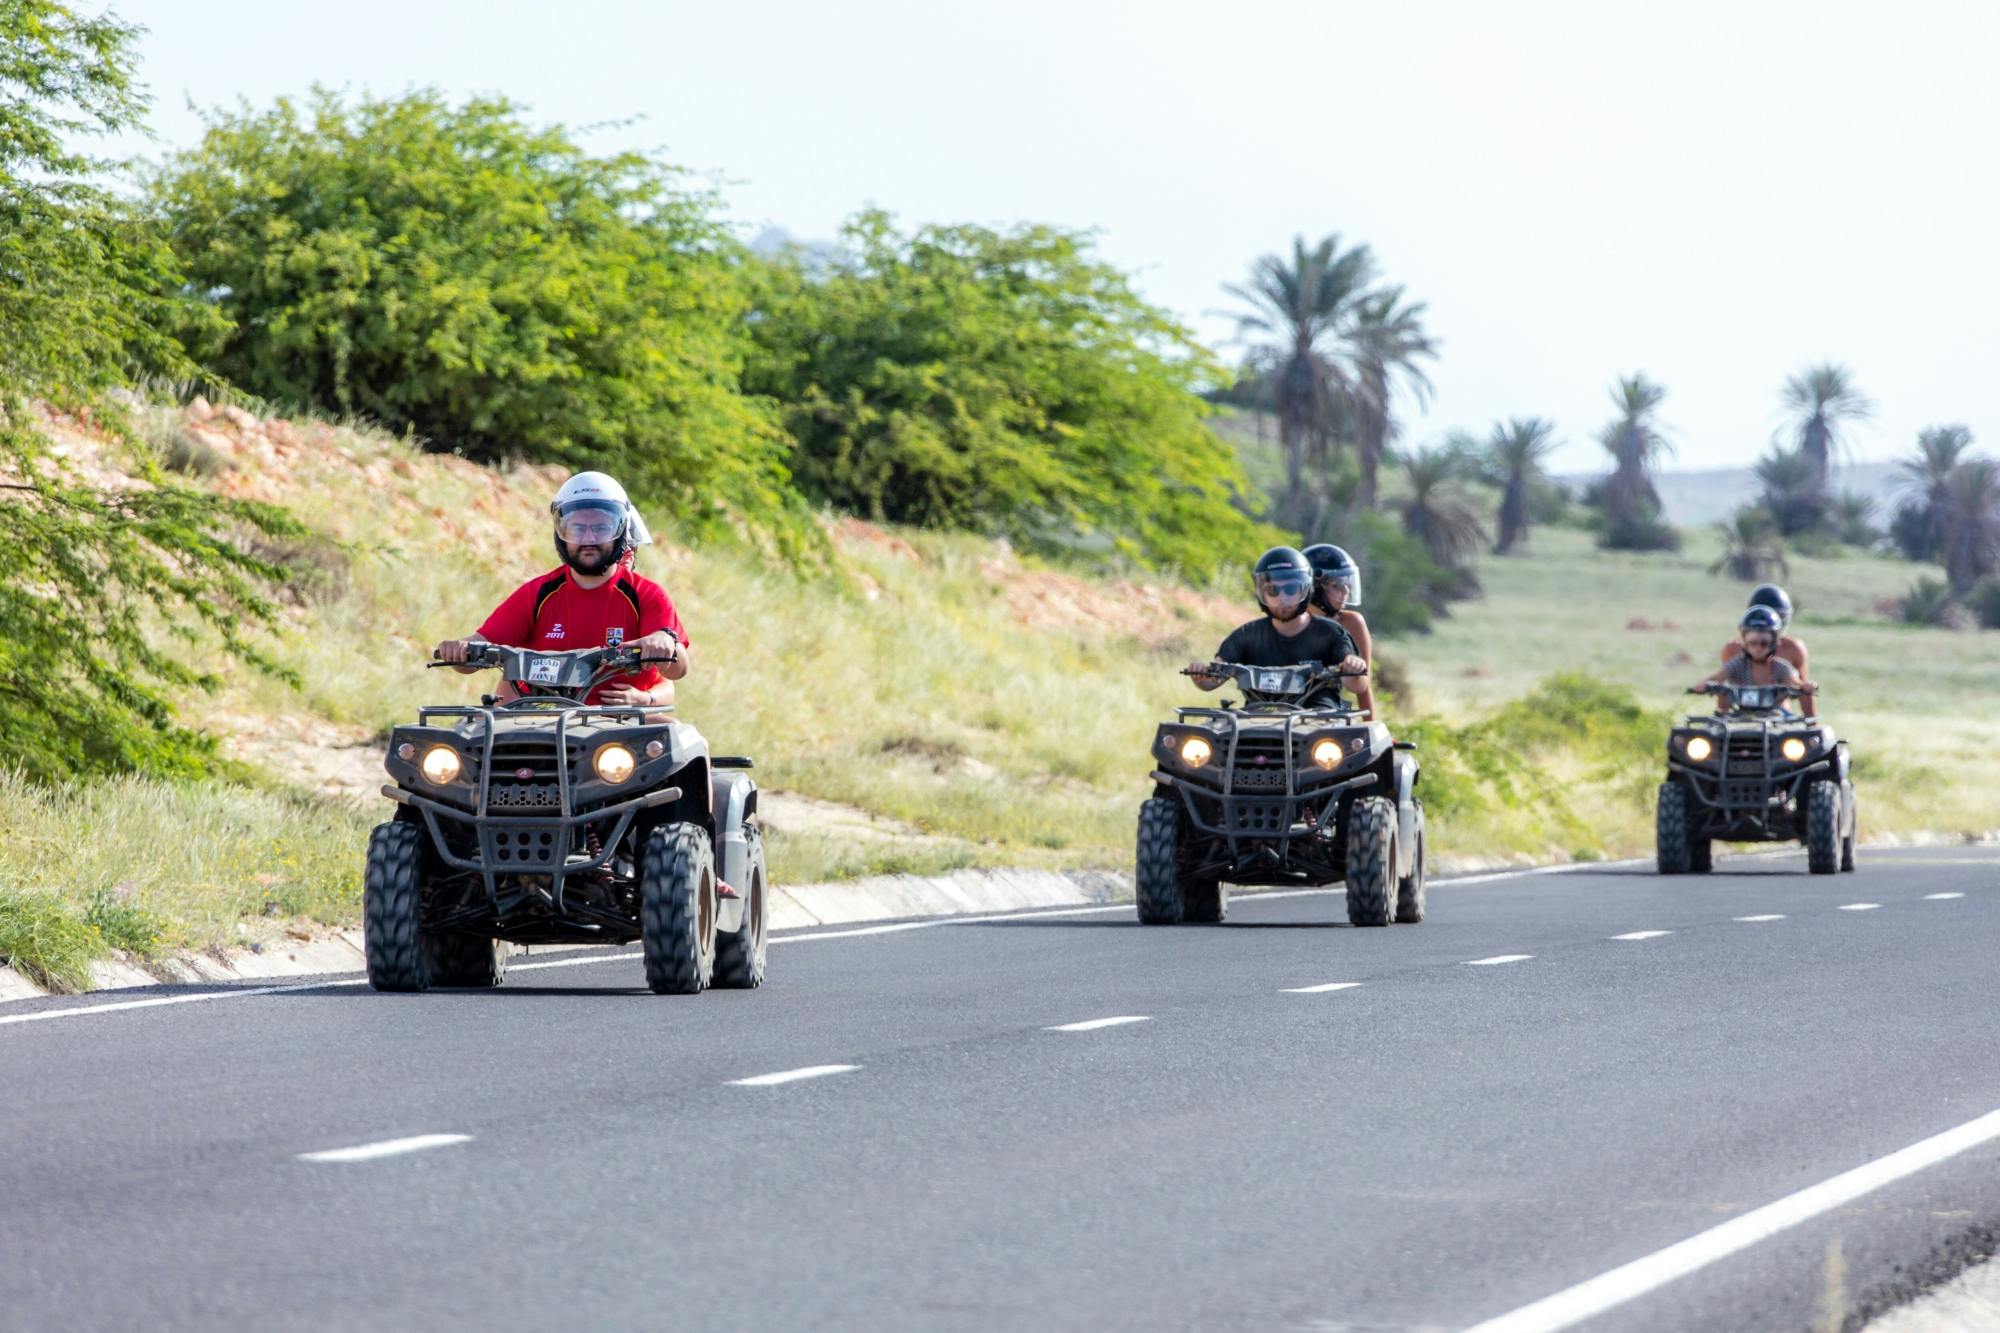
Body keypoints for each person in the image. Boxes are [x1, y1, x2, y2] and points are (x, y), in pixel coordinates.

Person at [433, 471, 688, 707]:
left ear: (621, 530)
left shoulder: (647, 594)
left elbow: (678, 669)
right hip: (533, 725)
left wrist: (665, 643)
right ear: (561, 530)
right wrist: (460, 648)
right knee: (461, 746)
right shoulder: (536, 594)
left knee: (675, 743)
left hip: (621, 729)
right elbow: (480, 646)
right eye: (578, 528)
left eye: (601, 528)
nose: (589, 539)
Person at [1188, 547, 1368, 703]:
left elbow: (1358, 685)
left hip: (1320, 725)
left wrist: (1353, 667)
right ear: (1262, 594)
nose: (1282, 598)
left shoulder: (1332, 633)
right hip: (1255, 724)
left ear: (1305, 589)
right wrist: (1201, 675)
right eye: (1273, 590)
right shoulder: (1246, 634)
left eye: (1290, 589)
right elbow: (1213, 678)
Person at [1302, 542, 1376, 718]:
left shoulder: (1352, 622)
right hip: (1283, 711)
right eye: (1337, 585)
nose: (1346, 591)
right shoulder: (1288, 622)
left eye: (1347, 584)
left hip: (1328, 712)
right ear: (1314, 586)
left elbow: (1364, 686)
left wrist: (1370, 728)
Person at [1695, 606, 1813, 712]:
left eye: (1764, 643)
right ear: (1744, 643)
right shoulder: (1737, 665)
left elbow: (1795, 682)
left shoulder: (1781, 668)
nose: (1758, 648)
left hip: (1777, 717)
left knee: (1802, 735)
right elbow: (1716, 678)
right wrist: (1703, 685)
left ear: (1774, 643)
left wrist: (1804, 686)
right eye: (1753, 643)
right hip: (1739, 717)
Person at [1719, 583, 1811, 715]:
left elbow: (1803, 689)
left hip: (1779, 715)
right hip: (1740, 712)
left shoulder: (1793, 648)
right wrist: (1722, 715)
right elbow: (1723, 687)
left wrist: (1811, 722)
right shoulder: (1733, 649)